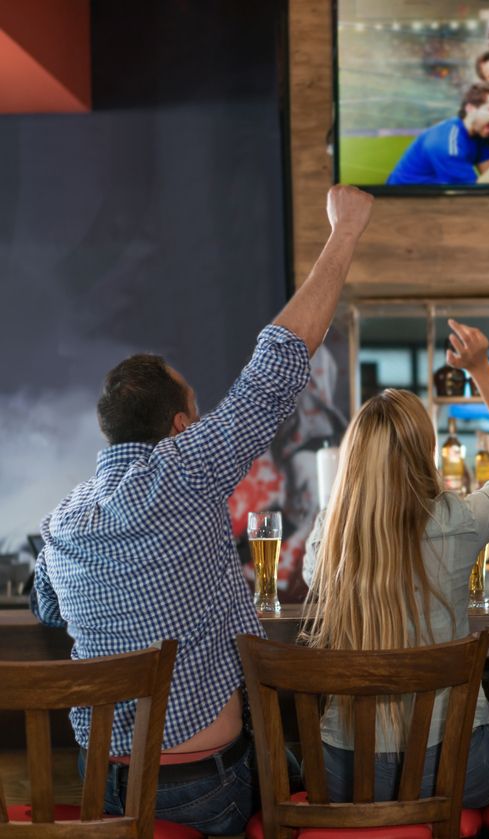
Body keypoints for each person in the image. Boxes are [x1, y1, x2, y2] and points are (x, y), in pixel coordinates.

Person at [30, 184, 375, 835]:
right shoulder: (185, 471)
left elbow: (47, 606)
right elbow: (276, 366)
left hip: (102, 784)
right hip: (200, 784)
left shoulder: (63, 519)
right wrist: (344, 234)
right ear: (183, 425)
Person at [302, 320, 489, 804]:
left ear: (354, 459)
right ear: (426, 452)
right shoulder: (461, 520)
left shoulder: (330, 535)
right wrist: (480, 370)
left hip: (345, 774)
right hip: (454, 766)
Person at [386, 84, 489, 186]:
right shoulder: (449, 144)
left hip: (432, 200)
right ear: (471, 109)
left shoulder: (480, 134)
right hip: (403, 202)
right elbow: (475, 194)